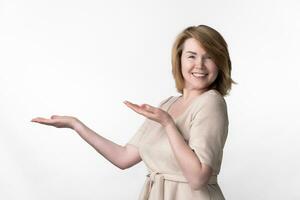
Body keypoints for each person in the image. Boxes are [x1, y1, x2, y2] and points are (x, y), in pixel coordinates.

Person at [31, 24, 235, 200]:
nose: (199, 65)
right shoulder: (168, 104)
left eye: (209, 57)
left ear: (220, 64)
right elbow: (124, 157)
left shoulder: (211, 102)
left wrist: (168, 124)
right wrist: (76, 125)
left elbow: (198, 177)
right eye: (192, 56)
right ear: (179, 59)